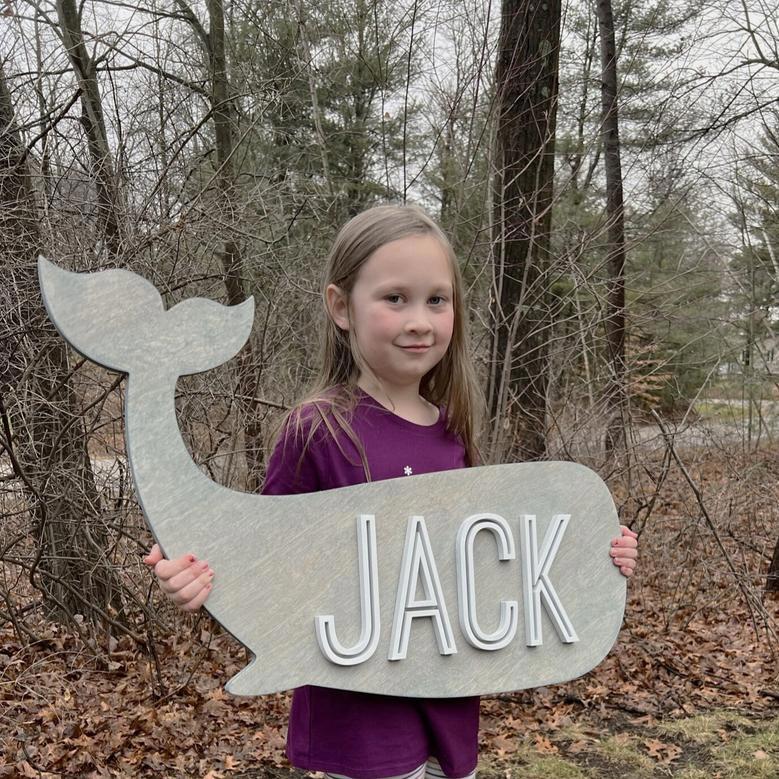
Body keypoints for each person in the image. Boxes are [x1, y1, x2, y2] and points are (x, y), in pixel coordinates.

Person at [144, 204, 639, 779]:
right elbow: (267, 564)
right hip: (359, 729)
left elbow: (486, 565)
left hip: (452, 708)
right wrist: (195, 578)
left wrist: (594, 557)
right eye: (395, 298)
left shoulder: (453, 430)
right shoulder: (318, 429)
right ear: (341, 307)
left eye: (437, 299)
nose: (420, 321)